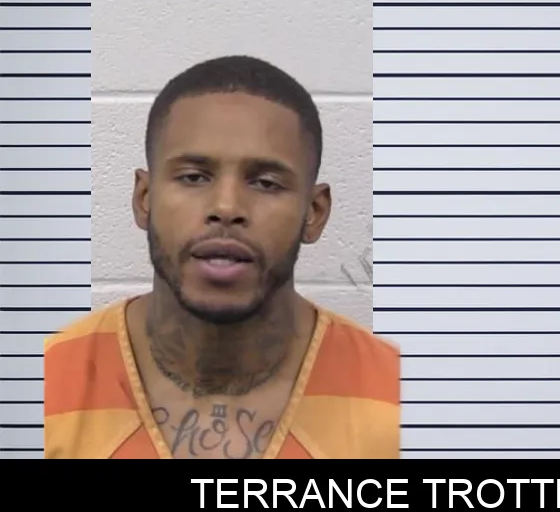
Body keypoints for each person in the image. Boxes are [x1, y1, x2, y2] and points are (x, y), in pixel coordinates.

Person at [43, 55, 399, 459]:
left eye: (266, 183)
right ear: (144, 199)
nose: (226, 208)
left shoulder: (401, 402)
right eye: (193, 177)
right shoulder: (44, 384)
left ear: (314, 213)